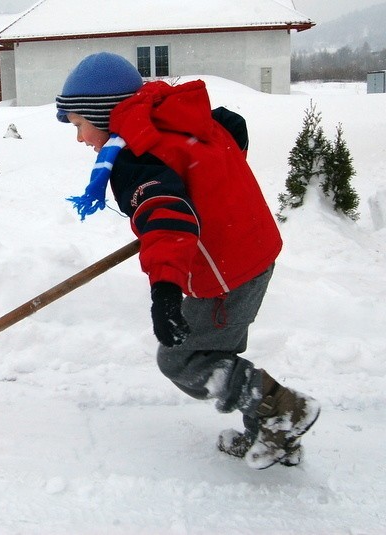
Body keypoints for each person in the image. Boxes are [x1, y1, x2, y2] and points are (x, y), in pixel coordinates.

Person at [55, 52, 320, 469]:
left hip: (226, 272)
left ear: (102, 114)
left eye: (79, 125)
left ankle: (285, 409)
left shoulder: (135, 158)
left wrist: (165, 291)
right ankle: (275, 433)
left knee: (181, 359)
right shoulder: (171, 115)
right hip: (252, 249)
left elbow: (167, 221)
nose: (80, 139)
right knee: (220, 352)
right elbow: (232, 125)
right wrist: (209, 187)